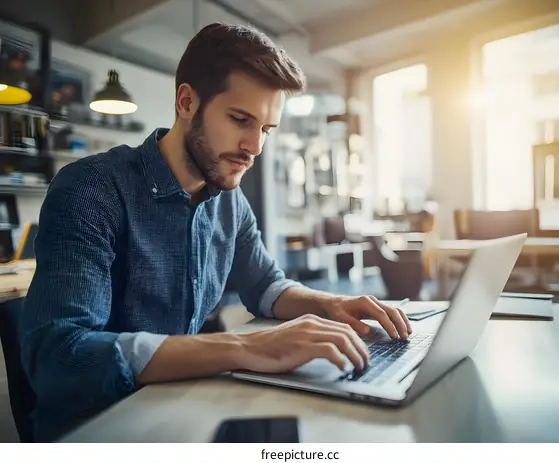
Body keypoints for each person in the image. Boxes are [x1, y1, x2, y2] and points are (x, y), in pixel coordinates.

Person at [20, 23, 411, 442]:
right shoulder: (91, 189)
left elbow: (266, 286)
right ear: (187, 101)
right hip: (98, 430)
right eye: (241, 119)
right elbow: (59, 357)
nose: (255, 147)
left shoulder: (229, 200)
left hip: (178, 407)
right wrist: (249, 348)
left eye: (265, 129)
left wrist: (333, 305)